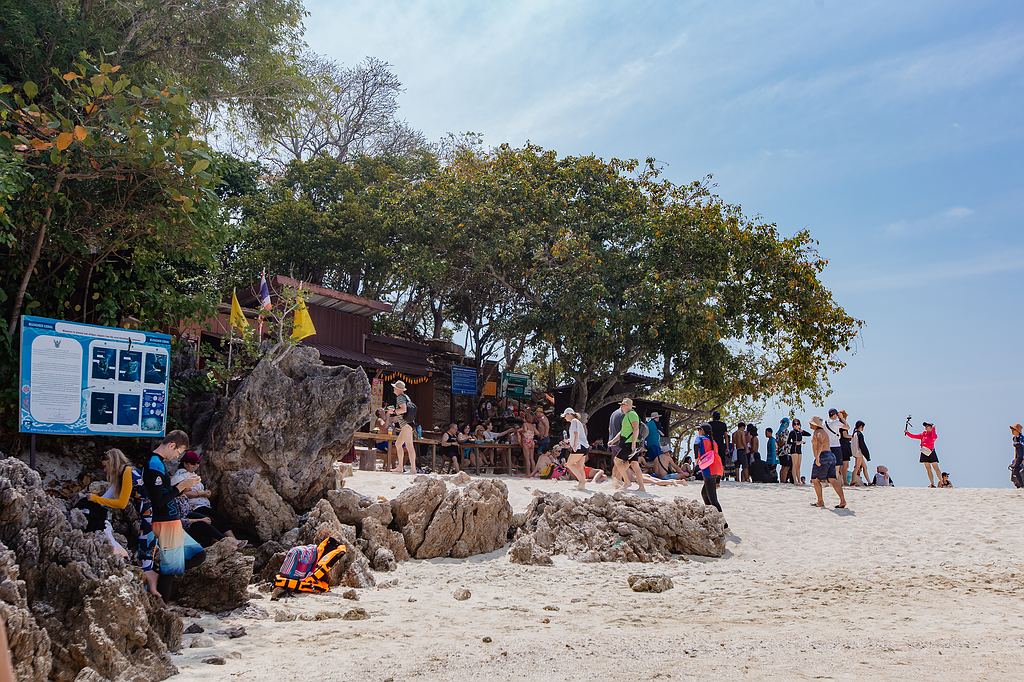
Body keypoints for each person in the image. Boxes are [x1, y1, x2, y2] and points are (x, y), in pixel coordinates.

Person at [143, 430, 205, 598]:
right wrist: (181, 486)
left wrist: (182, 487)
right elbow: (158, 500)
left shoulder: (159, 463)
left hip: (171, 520)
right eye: (178, 452)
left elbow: (165, 493)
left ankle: (158, 571)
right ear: (171, 445)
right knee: (170, 570)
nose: (178, 457)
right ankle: (164, 608)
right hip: (164, 522)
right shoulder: (154, 464)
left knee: (198, 555)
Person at [88, 448, 156, 592]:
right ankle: (147, 593)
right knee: (144, 554)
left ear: (112, 462)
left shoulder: (127, 472)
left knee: (146, 555)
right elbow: (108, 496)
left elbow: (121, 503)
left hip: (149, 517)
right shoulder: (124, 473)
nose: (105, 470)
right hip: (145, 516)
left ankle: (150, 593)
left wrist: (95, 498)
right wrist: (95, 501)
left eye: (105, 466)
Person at [170, 451, 239, 549]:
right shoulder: (180, 478)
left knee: (214, 519)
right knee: (211, 521)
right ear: (185, 463)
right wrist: (201, 494)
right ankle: (230, 542)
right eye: (193, 463)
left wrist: (206, 493)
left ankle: (229, 542)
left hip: (197, 508)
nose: (196, 465)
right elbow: (180, 519)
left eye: (198, 463)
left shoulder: (191, 476)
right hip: (194, 508)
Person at [609, 398, 646, 493]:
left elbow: (636, 429)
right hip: (629, 443)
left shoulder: (632, 414)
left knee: (617, 460)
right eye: (621, 404)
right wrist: (613, 441)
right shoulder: (626, 416)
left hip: (630, 443)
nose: (621, 406)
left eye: (623, 405)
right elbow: (622, 432)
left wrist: (633, 443)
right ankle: (641, 487)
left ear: (628, 406)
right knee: (634, 465)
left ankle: (626, 482)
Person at [809, 416, 847, 509]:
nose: (809, 425)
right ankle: (842, 500)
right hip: (830, 455)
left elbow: (821, 443)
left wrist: (817, 457)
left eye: (811, 423)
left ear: (814, 424)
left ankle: (820, 501)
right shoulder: (823, 432)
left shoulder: (818, 432)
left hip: (823, 456)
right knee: (832, 479)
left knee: (815, 479)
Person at [694, 424, 726, 529]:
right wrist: (718, 480)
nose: (698, 431)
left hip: (708, 470)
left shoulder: (700, 438)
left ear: (702, 430)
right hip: (716, 468)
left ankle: (723, 522)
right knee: (704, 493)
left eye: (699, 429)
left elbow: (696, 445)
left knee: (713, 498)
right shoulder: (713, 441)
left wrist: (696, 459)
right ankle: (711, 515)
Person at [388, 380, 417, 473]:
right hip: (408, 425)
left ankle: (412, 469)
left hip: (406, 425)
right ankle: (401, 467)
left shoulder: (400, 398)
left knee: (408, 446)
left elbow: (403, 410)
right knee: (399, 444)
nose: (393, 389)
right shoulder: (406, 397)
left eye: (394, 388)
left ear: (397, 389)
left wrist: (393, 412)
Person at [560, 407, 590, 491]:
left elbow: (576, 434)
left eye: (565, 415)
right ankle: (582, 485)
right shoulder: (577, 422)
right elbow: (576, 435)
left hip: (579, 446)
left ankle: (582, 481)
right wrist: (569, 442)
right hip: (584, 447)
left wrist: (575, 446)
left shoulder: (574, 421)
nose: (564, 417)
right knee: (580, 467)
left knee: (569, 464)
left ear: (569, 414)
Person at [905, 421, 940, 487]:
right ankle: (932, 484)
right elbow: (913, 436)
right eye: (925, 426)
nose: (926, 427)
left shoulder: (933, 434)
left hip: (931, 451)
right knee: (928, 468)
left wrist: (934, 429)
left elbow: (934, 437)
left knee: (936, 468)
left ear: (931, 427)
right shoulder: (923, 434)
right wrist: (907, 432)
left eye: (928, 426)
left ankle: (942, 482)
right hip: (924, 451)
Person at [824, 409, 845, 487]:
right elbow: (847, 427)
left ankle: (826, 482)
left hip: (827, 446)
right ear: (835, 414)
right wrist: (842, 418)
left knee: (827, 465)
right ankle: (835, 482)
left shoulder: (824, 423)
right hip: (836, 445)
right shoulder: (836, 422)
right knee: (837, 466)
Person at [787, 419, 811, 485]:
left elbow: (809, 434)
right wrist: (795, 443)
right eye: (795, 424)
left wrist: (802, 431)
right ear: (793, 425)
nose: (796, 425)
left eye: (798, 424)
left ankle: (799, 480)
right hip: (794, 450)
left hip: (799, 450)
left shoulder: (800, 432)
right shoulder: (792, 432)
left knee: (798, 466)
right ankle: (795, 481)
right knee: (794, 465)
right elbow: (788, 442)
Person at [850, 420, 871, 486]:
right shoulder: (859, 434)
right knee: (857, 467)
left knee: (865, 467)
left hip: (856, 453)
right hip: (859, 453)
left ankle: (869, 482)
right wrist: (867, 455)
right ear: (861, 426)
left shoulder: (854, 433)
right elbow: (862, 445)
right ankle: (852, 481)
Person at [837, 410, 854, 486]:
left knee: (843, 465)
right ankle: (845, 481)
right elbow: (845, 435)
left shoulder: (838, 424)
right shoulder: (842, 424)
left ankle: (842, 481)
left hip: (841, 445)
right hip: (844, 445)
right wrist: (853, 437)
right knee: (845, 465)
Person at [519, 412, 538, 476]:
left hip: (526, 441)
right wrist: (531, 434)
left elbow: (524, 430)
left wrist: (520, 431)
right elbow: (538, 433)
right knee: (531, 458)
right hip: (532, 441)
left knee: (527, 458)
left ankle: (528, 473)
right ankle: (533, 473)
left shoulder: (525, 424)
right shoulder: (532, 425)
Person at [777, 417, 792, 484]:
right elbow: (784, 441)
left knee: (783, 466)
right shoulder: (785, 431)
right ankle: (783, 480)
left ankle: (781, 480)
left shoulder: (778, 431)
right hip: (785, 451)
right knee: (786, 467)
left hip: (780, 452)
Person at [1009, 424, 1023, 489]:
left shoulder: (1022, 438)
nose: (1012, 431)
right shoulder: (1014, 438)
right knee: (1014, 469)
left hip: (1022, 457)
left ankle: (1022, 485)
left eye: (1013, 429)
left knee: (1016, 470)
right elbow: (1016, 450)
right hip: (1018, 457)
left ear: (1017, 431)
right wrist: (1015, 459)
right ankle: (1019, 485)